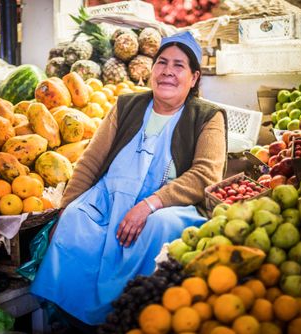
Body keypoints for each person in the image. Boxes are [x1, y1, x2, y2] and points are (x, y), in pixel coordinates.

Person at [31, 30, 228, 331]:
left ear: (194, 77)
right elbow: (90, 161)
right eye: (162, 63)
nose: (168, 72)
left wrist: (149, 205)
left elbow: (205, 175)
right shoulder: (127, 106)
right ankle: (73, 320)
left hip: (167, 206)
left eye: (179, 65)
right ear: (152, 69)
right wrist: (64, 208)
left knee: (156, 228)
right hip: (111, 200)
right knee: (75, 220)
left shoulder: (207, 116)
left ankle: (132, 318)